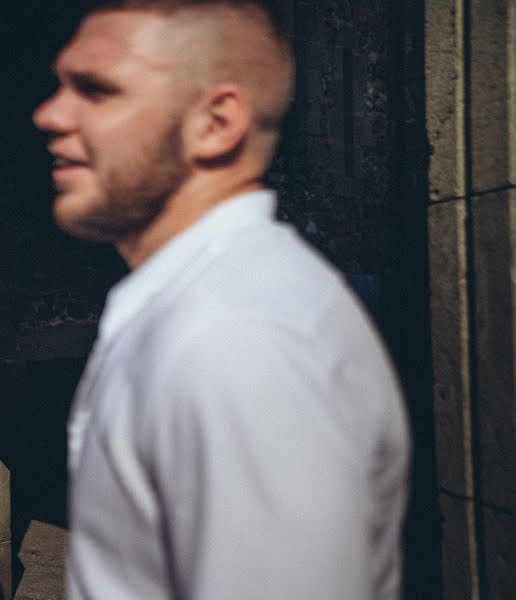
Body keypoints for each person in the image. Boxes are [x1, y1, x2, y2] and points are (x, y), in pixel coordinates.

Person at [32, 1, 410, 599]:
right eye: (60, 87)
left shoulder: (240, 338)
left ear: (215, 123)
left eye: (98, 91)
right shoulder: (200, 308)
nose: (50, 114)